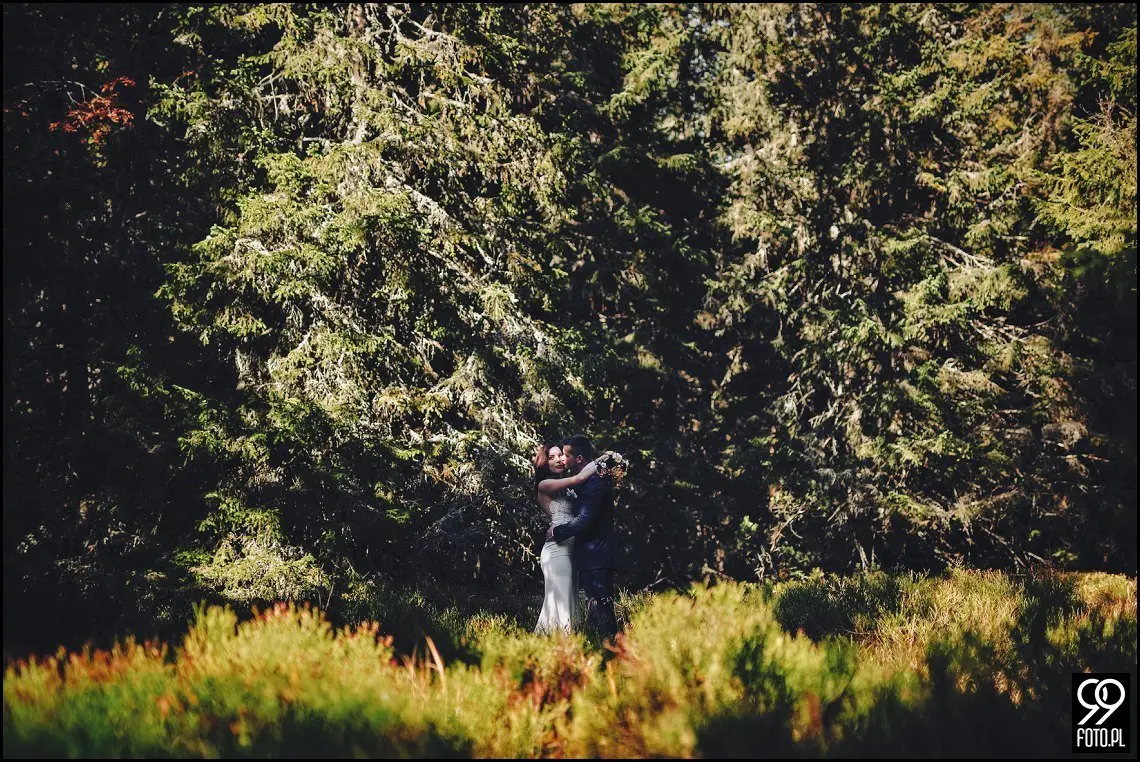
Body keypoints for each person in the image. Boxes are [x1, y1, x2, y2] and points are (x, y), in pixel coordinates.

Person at [546, 434, 618, 642]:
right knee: (595, 609)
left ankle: (611, 652)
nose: (562, 460)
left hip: (597, 555)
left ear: (578, 459)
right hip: (588, 556)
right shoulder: (586, 480)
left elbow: (585, 520)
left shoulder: (594, 482)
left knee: (602, 610)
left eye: (565, 456)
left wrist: (557, 532)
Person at [532, 442, 599, 634]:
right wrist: (605, 460)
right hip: (557, 550)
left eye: (560, 455)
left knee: (569, 602)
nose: (558, 460)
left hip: (572, 550)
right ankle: (561, 649)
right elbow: (579, 479)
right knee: (560, 603)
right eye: (551, 458)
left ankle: (557, 650)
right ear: (544, 463)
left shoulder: (568, 486)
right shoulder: (545, 484)